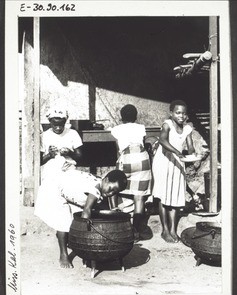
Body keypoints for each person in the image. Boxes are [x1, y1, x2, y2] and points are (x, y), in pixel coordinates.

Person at [35, 168, 127, 268]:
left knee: (74, 216)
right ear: (106, 180)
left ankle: (68, 240)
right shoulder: (95, 189)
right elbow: (87, 210)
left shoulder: (102, 182)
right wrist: (84, 236)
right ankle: (63, 255)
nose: (110, 194)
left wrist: (113, 209)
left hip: (65, 187)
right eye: (110, 189)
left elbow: (107, 200)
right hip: (53, 188)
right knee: (63, 221)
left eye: (114, 192)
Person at [152, 100, 196, 243]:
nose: (181, 116)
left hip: (177, 163)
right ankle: (165, 230)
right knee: (164, 195)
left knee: (176, 195)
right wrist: (178, 152)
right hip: (163, 161)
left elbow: (190, 148)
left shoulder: (187, 128)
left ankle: (172, 230)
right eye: (178, 113)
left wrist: (193, 153)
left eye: (183, 113)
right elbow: (163, 141)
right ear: (171, 113)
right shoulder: (167, 124)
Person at [110, 104, 152, 241]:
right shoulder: (141, 128)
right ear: (136, 117)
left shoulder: (116, 129)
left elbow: (118, 149)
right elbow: (143, 143)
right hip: (142, 159)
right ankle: (136, 231)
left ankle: (118, 222)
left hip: (126, 159)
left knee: (116, 189)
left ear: (121, 117)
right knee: (139, 197)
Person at [40, 107, 83, 181]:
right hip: (50, 173)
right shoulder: (44, 136)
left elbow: (80, 156)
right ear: (50, 122)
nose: (58, 128)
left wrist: (69, 153)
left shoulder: (72, 133)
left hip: (69, 170)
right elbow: (38, 162)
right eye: (55, 125)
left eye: (61, 125)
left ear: (65, 122)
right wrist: (49, 155)